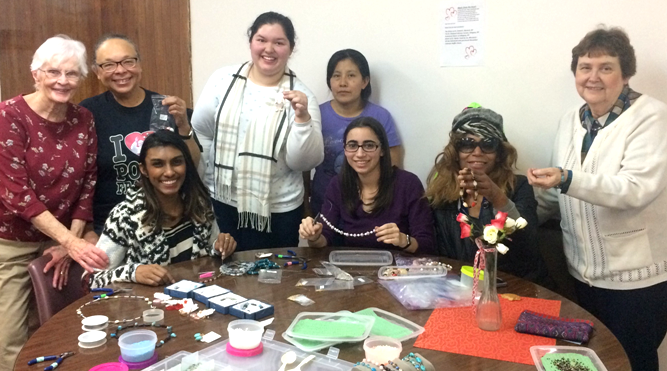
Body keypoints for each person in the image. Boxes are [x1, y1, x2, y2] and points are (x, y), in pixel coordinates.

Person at [527, 27, 667, 371]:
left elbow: (635, 189)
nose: (593, 77)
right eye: (585, 67)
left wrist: (566, 178)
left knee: (633, 361)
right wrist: (518, 218)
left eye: (606, 67)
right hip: (580, 274)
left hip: (635, 281)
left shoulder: (652, 116)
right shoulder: (569, 121)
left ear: (626, 73)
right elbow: (554, 197)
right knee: (593, 361)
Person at [0, 35, 108, 369]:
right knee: (11, 335)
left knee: (57, 326)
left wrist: (68, 243)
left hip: (59, 239)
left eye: (72, 73)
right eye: (53, 71)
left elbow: (87, 183)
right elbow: (16, 193)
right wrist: (72, 241)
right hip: (12, 241)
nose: (63, 81)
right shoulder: (8, 115)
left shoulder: (83, 119)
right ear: (36, 74)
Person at [192, 12, 323, 250]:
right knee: (224, 278)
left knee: (274, 282)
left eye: (279, 42)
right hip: (222, 203)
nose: (268, 49)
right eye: (261, 40)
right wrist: (202, 185)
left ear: (290, 49)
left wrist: (302, 118)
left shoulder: (302, 96)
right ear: (251, 42)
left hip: (277, 211)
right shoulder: (223, 80)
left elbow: (303, 162)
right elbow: (202, 133)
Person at [80, 34, 201, 236]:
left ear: (140, 64)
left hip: (167, 222)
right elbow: (79, 180)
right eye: (109, 65)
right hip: (110, 227)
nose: (121, 70)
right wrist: (87, 229)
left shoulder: (165, 108)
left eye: (128, 61)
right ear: (97, 72)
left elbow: (193, 165)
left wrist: (183, 125)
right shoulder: (87, 114)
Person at [91, 130, 236, 288]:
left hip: (197, 302)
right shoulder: (125, 216)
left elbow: (210, 253)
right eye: (158, 164)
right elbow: (92, 279)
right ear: (144, 169)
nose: (169, 172)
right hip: (149, 309)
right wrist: (134, 272)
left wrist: (220, 246)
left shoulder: (199, 204)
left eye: (176, 162)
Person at [425, 104, 549, 284]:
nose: (477, 152)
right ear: (455, 151)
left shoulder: (519, 186)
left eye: (488, 144)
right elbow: (438, 250)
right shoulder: (441, 191)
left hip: (518, 286)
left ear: (499, 153)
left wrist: (498, 198)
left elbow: (528, 247)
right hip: (460, 286)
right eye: (467, 143)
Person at [299, 117, 434, 253]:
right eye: (352, 146)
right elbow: (325, 239)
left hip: (397, 270)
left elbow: (427, 244)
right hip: (350, 269)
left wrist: (403, 240)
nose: (360, 154)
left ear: (382, 150)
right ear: (345, 150)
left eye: (369, 145)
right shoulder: (337, 184)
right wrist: (314, 236)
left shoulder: (408, 184)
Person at [309, 49, 403, 215]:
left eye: (351, 75)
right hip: (324, 204)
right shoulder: (316, 115)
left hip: (370, 209)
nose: (343, 83)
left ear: (365, 81)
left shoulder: (380, 116)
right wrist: (305, 206)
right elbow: (304, 163)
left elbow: (393, 166)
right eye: (336, 76)